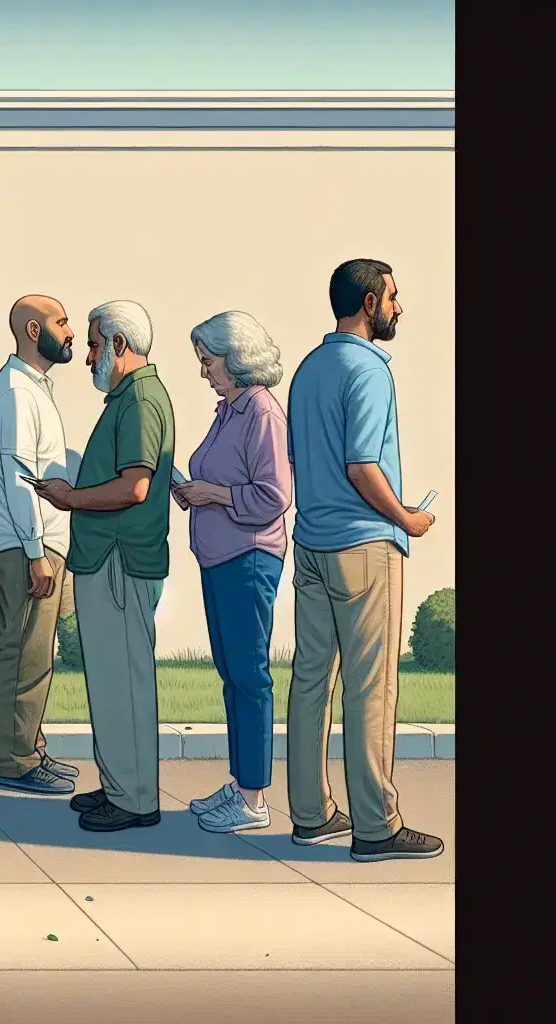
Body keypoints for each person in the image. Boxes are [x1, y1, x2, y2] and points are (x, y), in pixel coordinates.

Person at [285, 259, 443, 862]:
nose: (399, 308)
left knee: (309, 681)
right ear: (370, 301)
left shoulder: (308, 370)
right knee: (370, 687)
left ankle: (310, 813)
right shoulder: (370, 371)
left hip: (312, 544)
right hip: (364, 545)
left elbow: (306, 462)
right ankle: (376, 828)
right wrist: (407, 518)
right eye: (394, 298)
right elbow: (362, 466)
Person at [30, 300, 175, 833]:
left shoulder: (139, 400)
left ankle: (135, 799)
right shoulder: (129, 398)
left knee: (124, 683)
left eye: (93, 344)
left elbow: (134, 487)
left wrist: (70, 498)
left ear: (119, 344)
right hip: (110, 558)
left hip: (119, 559)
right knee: (111, 683)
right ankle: (120, 785)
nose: (87, 354)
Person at [171, 311, 292, 834]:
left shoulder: (262, 411)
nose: (204, 372)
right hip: (221, 557)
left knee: (248, 677)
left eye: (208, 361)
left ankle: (254, 800)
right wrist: (193, 491)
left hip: (248, 558)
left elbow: (274, 496)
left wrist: (212, 494)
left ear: (238, 357)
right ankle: (243, 784)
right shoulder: (230, 410)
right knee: (232, 675)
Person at [0, 295, 80, 795]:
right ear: (34, 330)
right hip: (24, 549)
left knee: (34, 655)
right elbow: (21, 480)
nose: (72, 332)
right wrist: (37, 552)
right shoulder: (17, 393)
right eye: (63, 323)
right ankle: (15, 761)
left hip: (31, 544)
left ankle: (28, 750)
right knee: (21, 655)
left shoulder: (31, 389)